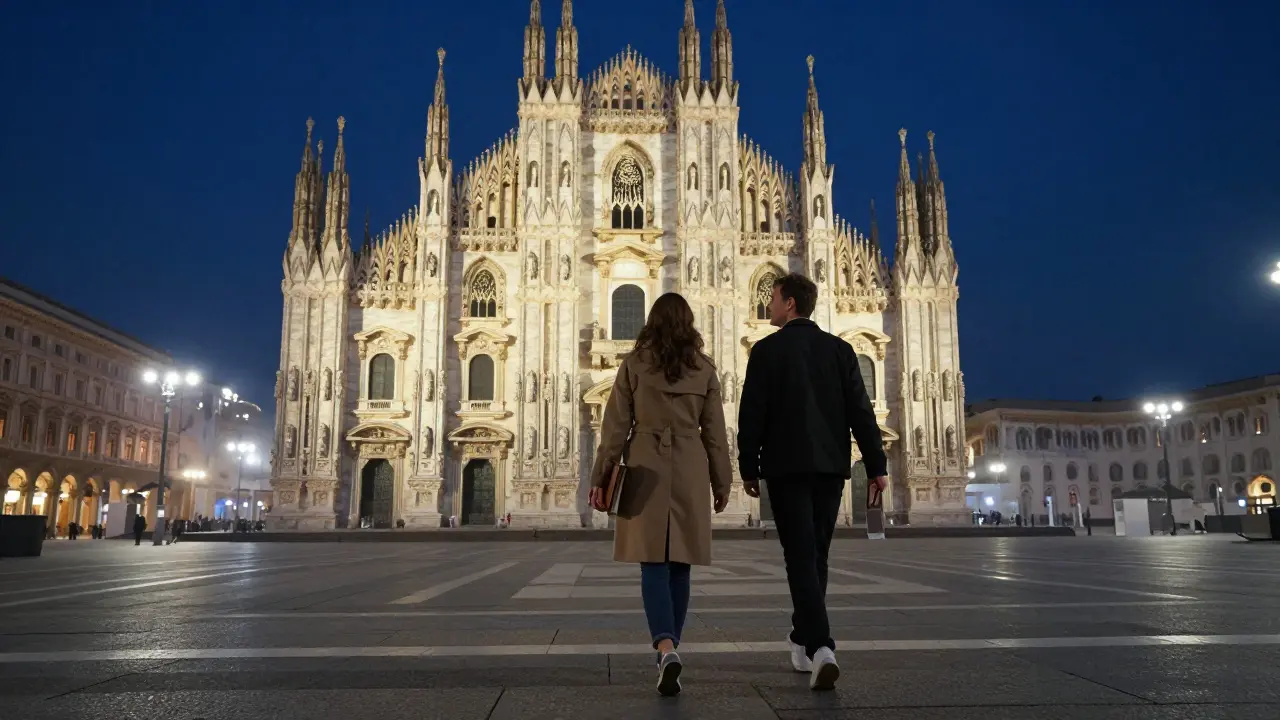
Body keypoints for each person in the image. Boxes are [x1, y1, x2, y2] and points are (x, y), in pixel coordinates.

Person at [738, 272, 887, 692]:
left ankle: (822, 647)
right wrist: (876, 465)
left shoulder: (766, 351)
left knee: (800, 556)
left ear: (789, 305)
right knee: (817, 554)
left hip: (786, 468)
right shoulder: (840, 351)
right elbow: (861, 411)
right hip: (829, 468)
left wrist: (748, 466)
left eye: (773, 299)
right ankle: (802, 639)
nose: (768, 305)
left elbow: (752, 414)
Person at [589, 292, 733, 697]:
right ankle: (671, 650)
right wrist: (722, 482)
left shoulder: (634, 364)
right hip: (689, 464)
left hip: (644, 464)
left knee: (652, 562)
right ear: (689, 325)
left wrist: (601, 477)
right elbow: (716, 436)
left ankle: (665, 646)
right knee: (681, 564)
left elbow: (614, 430)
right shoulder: (704, 369)